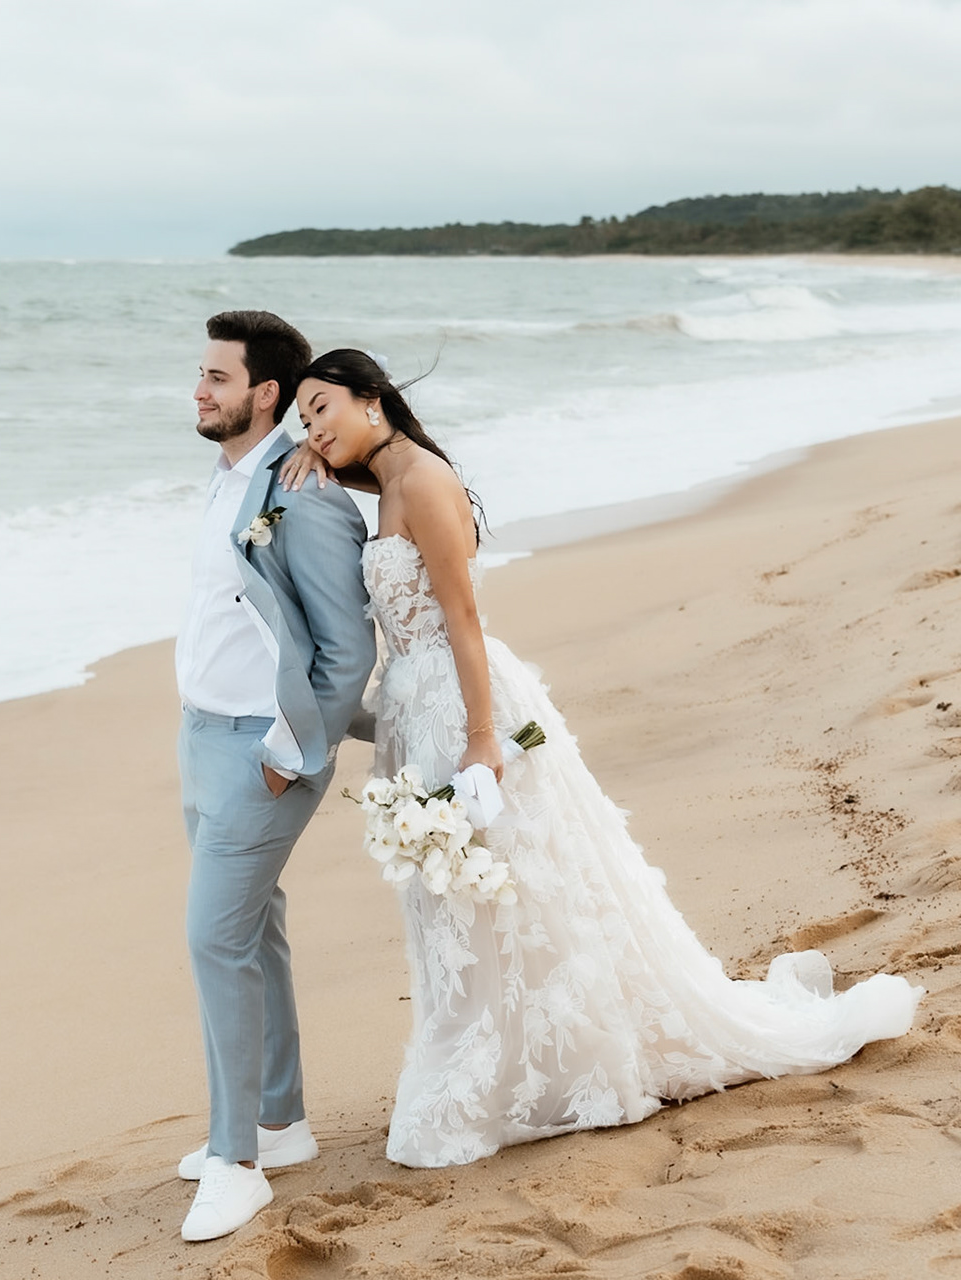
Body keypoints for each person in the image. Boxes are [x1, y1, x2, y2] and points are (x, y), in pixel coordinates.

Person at [279, 348, 920, 1170]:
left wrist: (482, 740)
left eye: (322, 407)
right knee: (460, 902)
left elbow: (464, 619)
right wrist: (319, 459)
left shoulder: (426, 481)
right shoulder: (392, 479)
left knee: (512, 883)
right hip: (413, 710)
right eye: (302, 418)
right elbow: (389, 510)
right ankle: (506, 1055)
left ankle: (552, 1061)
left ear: (374, 399)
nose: (313, 427)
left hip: (459, 703)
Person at [172, 313, 378, 1241]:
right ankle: (281, 1122)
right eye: (200, 374)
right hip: (200, 736)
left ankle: (236, 1161)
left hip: (266, 750)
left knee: (215, 938)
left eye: (218, 377)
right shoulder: (229, 482)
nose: (200, 390)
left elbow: (346, 650)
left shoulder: (307, 493)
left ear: (266, 393)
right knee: (254, 931)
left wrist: (292, 752)